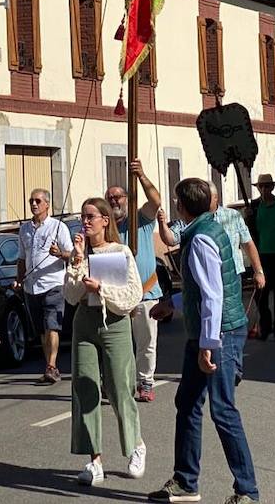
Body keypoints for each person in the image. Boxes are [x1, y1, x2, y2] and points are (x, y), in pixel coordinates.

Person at [151, 178, 259, 504]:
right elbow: (203, 291)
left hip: (217, 334)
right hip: (213, 331)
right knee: (187, 403)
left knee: (223, 410)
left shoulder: (199, 239)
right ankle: (186, 481)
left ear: (182, 206)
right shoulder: (207, 228)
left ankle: (247, 491)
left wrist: (208, 346)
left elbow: (213, 296)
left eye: (176, 201)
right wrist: (174, 305)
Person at [64, 197, 145, 487]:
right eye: (82, 218)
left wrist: (103, 288)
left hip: (114, 322)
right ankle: (94, 459)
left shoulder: (119, 251)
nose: (85, 222)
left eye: (90, 217)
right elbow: (71, 296)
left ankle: (135, 445)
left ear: (105, 221)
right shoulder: (81, 254)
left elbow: (133, 294)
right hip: (84, 321)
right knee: (85, 388)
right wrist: (75, 261)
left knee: (120, 387)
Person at [108, 160, 173, 402]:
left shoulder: (141, 219)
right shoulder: (107, 227)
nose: (115, 201)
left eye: (119, 197)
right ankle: (118, 383)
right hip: (117, 295)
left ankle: (145, 382)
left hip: (146, 292)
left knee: (146, 343)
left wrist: (141, 175)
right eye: (110, 198)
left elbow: (155, 201)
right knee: (118, 344)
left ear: (128, 199)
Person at [17, 187, 73, 384]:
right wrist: (19, 278)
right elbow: (22, 258)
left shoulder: (58, 227)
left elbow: (73, 255)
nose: (33, 204)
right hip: (31, 286)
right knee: (41, 329)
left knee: (52, 325)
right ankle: (49, 365)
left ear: (47, 204)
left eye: (38, 201)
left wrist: (60, 253)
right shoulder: (24, 229)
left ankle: (51, 364)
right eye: (31, 200)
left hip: (53, 284)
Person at [244, 174, 275, 341]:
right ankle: (265, 327)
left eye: (267, 186)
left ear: (272, 187)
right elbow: (247, 231)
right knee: (261, 296)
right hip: (261, 256)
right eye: (261, 186)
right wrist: (247, 217)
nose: (264, 189)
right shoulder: (254, 207)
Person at [210, 187, 265, 303]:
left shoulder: (233, 215)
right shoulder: (196, 220)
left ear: (216, 198)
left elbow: (248, 243)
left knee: (233, 314)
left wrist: (258, 271)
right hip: (208, 277)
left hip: (232, 274)